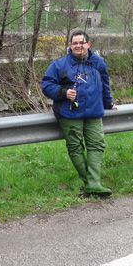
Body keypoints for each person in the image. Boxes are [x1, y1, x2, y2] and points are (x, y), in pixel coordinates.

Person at [41, 30, 117, 196]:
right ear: (70, 46)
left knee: (97, 145)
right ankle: (91, 184)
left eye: (81, 43)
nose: (78, 46)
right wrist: (63, 92)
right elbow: (46, 85)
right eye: (75, 43)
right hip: (69, 114)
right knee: (75, 147)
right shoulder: (59, 64)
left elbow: (105, 84)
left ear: (88, 44)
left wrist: (108, 103)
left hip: (94, 112)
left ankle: (93, 184)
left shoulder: (98, 62)